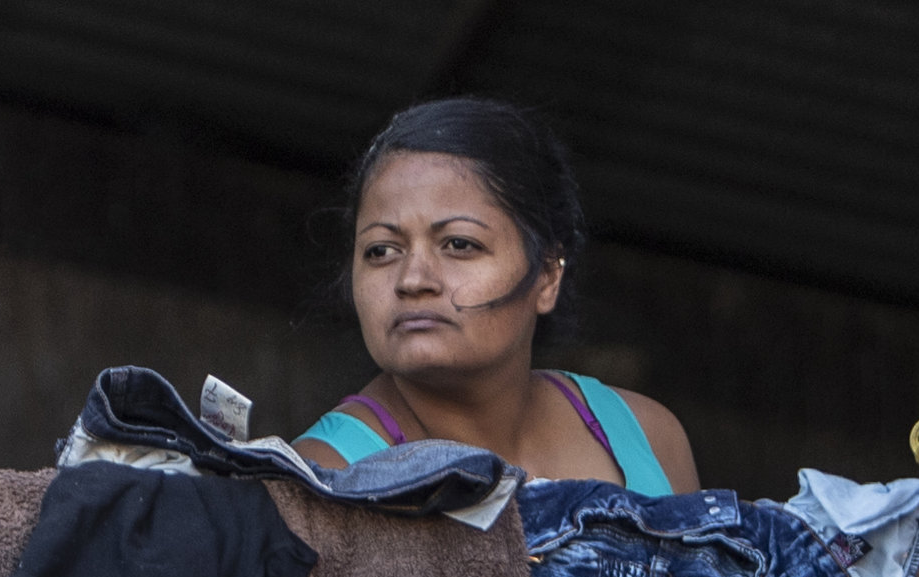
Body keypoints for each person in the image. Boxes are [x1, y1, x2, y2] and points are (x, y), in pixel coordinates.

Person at [296, 99, 698, 495]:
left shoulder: (647, 437)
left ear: (546, 275)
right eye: (381, 251)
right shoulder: (325, 480)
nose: (413, 279)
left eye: (459, 244)